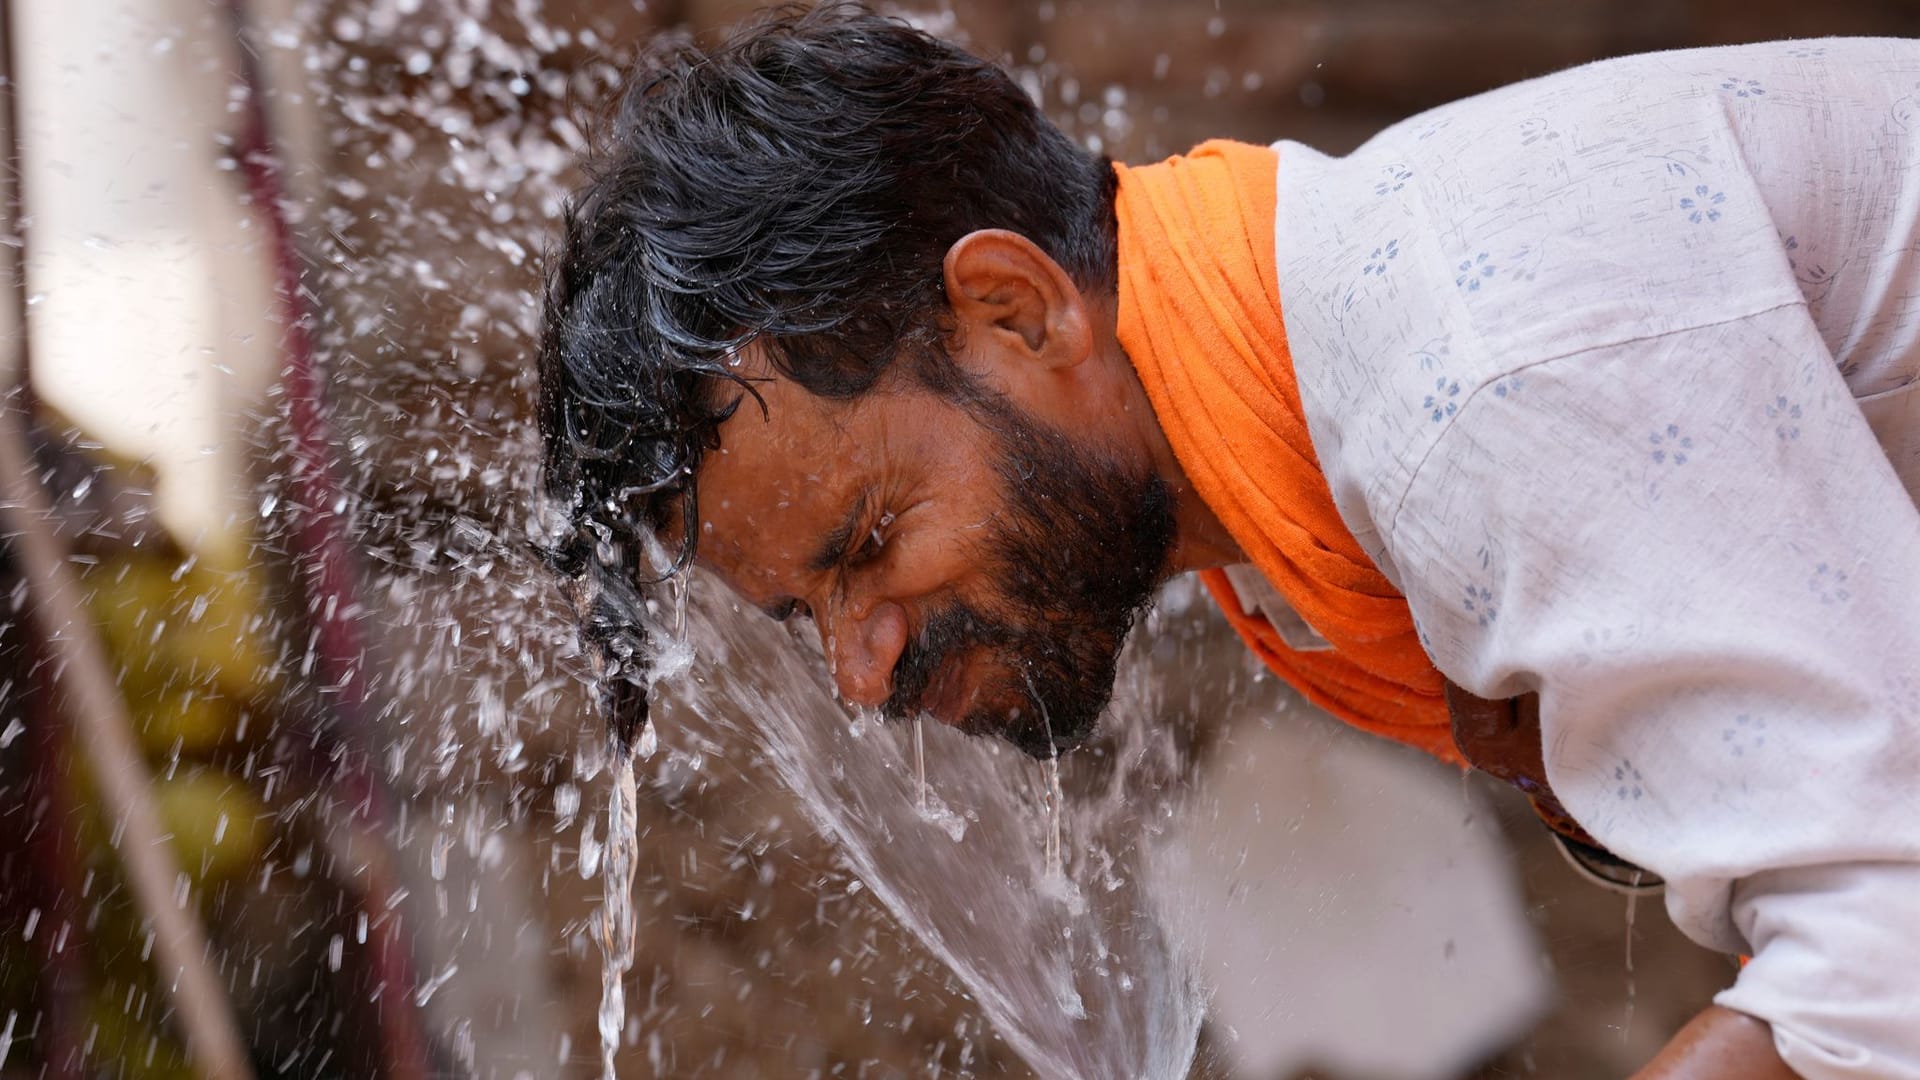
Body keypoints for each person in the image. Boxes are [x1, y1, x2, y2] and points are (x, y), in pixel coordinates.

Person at [536, 6, 1920, 1077]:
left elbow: (1886, 978)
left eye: (867, 543)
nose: (860, 669)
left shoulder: (1464, 376)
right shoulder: (1333, 412)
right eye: (807, 615)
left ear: (1019, 310)